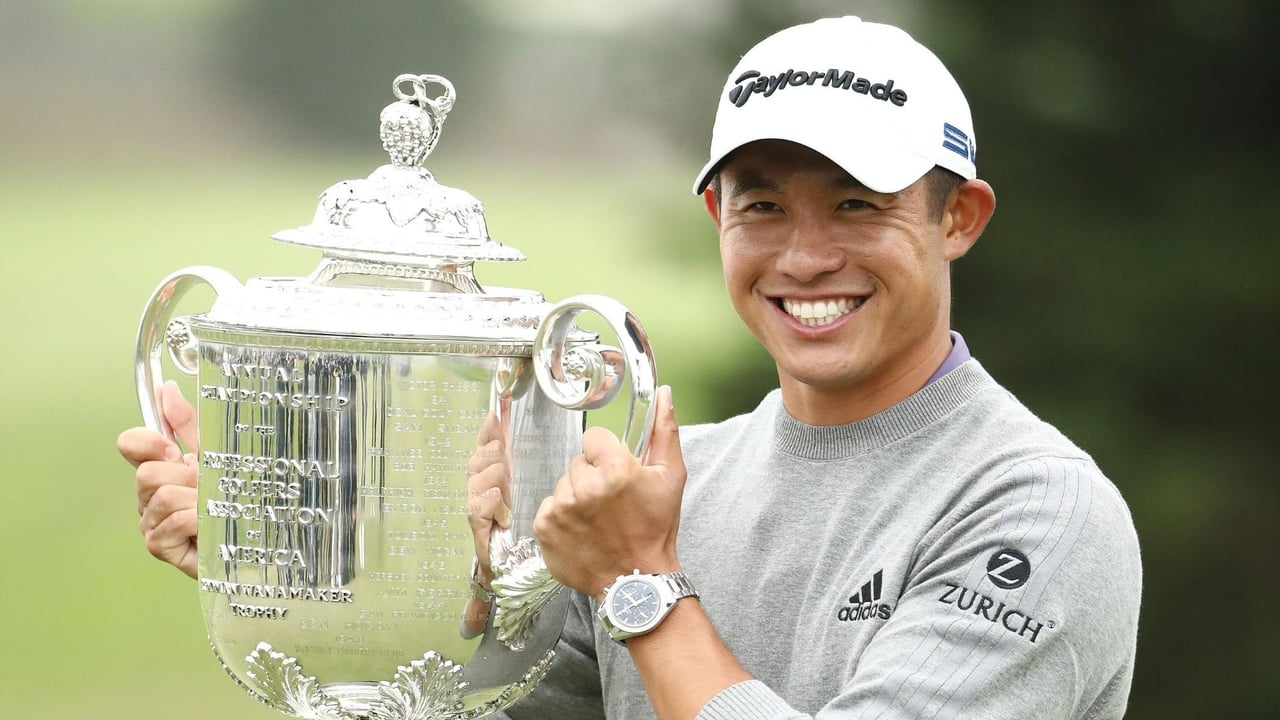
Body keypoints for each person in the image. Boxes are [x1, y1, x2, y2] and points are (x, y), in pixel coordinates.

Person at [119, 16, 1141, 720]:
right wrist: (296, 571)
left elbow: (640, 585)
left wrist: (639, 582)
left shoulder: (1036, 510)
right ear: (716, 216)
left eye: (856, 205)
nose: (803, 257)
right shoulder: (682, 482)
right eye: (762, 204)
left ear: (958, 218)